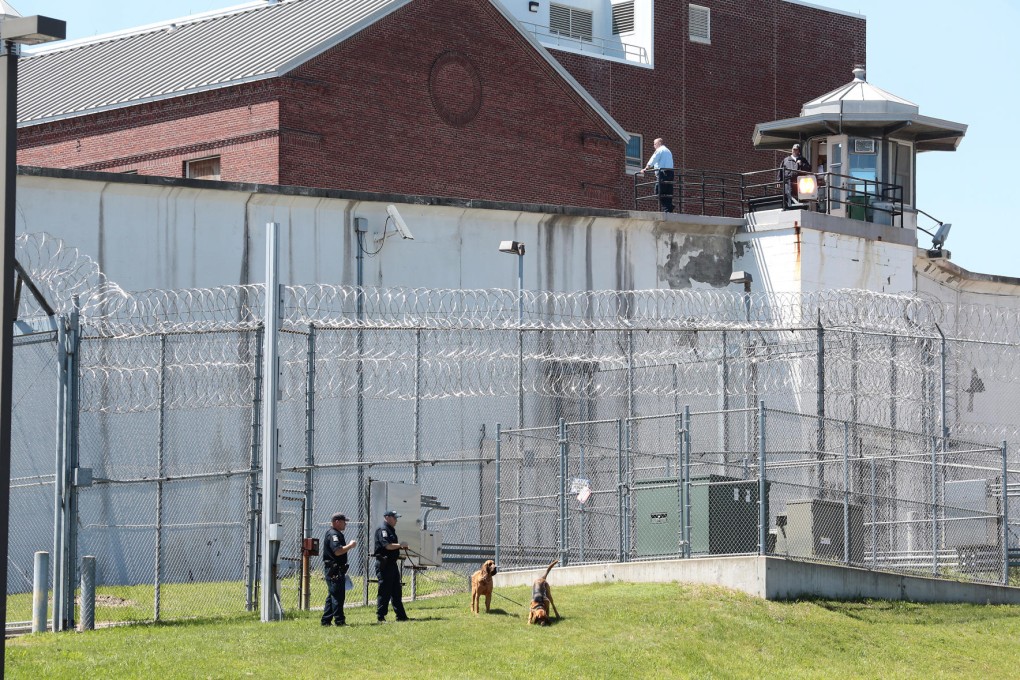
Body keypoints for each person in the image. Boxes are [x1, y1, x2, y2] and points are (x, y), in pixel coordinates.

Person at [321, 512, 357, 626]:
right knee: (337, 596)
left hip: (337, 570)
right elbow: (337, 551)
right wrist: (350, 546)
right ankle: (339, 621)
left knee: (332, 595)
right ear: (337, 522)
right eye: (344, 521)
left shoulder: (336, 533)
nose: (345, 524)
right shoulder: (333, 534)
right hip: (334, 570)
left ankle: (326, 621)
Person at [373, 509, 409, 622]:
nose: (396, 520)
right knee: (385, 591)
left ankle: (401, 616)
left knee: (396, 591)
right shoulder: (383, 530)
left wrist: (400, 547)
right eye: (395, 518)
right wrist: (400, 545)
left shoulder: (390, 530)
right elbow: (387, 546)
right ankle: (381, 617)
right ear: (387, 517)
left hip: (392, 565)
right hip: (384, 565)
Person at [640, 138, 675, 213]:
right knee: (668, 192)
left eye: (655, 144)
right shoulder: (668, 151)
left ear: (659, 143)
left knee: (658, 191)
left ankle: (667, 207)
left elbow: (653, 160)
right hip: (671, 173)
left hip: (663, 173)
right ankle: (669, 208)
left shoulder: (659, 150)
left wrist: (645, 168)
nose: (654, 146)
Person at [779, 143, 811, 209]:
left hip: (800, 182)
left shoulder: (803, 159)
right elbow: (781, 170)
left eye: (796, 149)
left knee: (799, 196)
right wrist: (779, 180)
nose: (794, 151)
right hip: (788, 181)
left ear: (799, 151)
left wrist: (801, 164)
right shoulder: (786, 160)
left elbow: (809, 169)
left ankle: (801, 207)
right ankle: (788, 208)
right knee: (788, 196)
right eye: (793, 149)